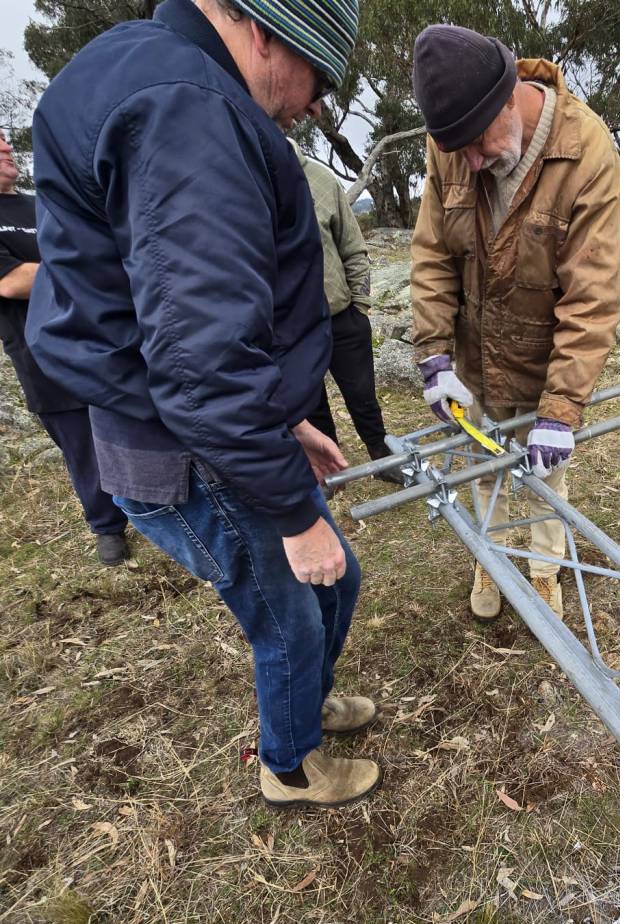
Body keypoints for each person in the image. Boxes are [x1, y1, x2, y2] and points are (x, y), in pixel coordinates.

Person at [26, 0, 381, 809]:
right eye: (319, 79)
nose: (314, 106)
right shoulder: (189, 111)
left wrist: (288, 422)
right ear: (268, 33)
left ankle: (307, 702)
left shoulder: (156, 72)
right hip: (183, 447)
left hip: (200, 424)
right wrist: (291, 509)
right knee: (288, 614)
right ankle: (290, 767)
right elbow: (203, 363)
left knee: (338, 580)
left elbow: (190, 315)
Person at [409, 25, 620, 622]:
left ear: (509, 99)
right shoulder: (453, 143)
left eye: (478, 144)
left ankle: (544, 571)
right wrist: (433, 355)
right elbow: (432, 254)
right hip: (475, 353)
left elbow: (591, 293)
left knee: (544, 477)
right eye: (456, 150)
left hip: (541, 358)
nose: (471, 163)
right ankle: (492, 556)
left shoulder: (585, 150)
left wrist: (561, 409)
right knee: (484, 464)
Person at [0, 129, 130, 565]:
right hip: (44, 356)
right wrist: (85, 266)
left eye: (6, 140)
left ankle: (153, 504)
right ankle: (108, 526)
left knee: (130, 424)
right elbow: (12, 282)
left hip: (102, 340)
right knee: (81, 447)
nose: (7, 147)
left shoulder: (42, 203)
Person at [290, 140, 404, 486]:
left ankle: (382, 458)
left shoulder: (321, 179)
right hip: (292, 329)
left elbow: (353, 248)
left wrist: (360, 306)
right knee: (311, 403)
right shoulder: (249, 184)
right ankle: (330, 473)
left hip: (342, 317)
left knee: (363, 396)